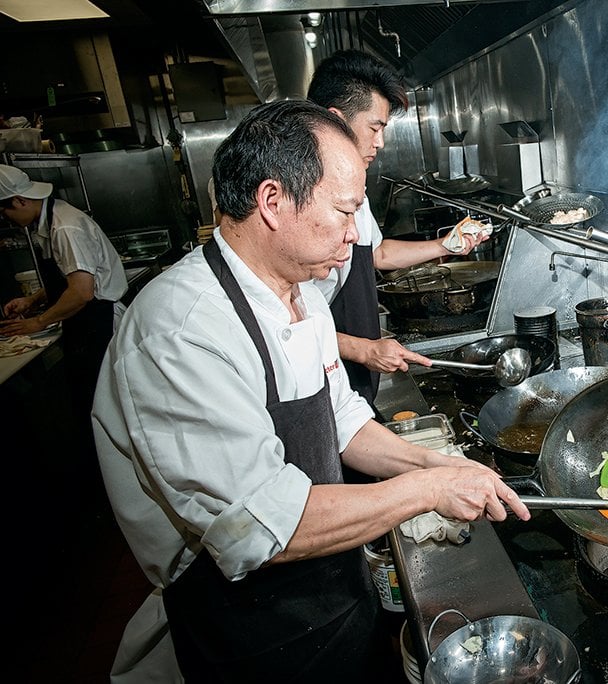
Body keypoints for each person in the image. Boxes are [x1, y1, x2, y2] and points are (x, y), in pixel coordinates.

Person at [92, 99, 529, 681]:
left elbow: (341, 418)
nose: (355, 235)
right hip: (246, 631)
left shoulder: (299, 291)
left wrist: (439, 461)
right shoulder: (183, 330)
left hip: (331, 595)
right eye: (345, 211)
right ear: (273, 202)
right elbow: (265, 528)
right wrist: (427, 488)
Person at [307, 49, 489, 405]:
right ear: (335, 121)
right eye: (375, 128)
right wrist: (362, 350)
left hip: (346, 370)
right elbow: (284, 324)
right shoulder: (298, 202)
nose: (381, 142)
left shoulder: (352, 184)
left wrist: (445, 246)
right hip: (317, 371)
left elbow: (377, 253)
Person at [0, 164, 128, 487]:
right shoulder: (51, 221)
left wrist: (37, 322)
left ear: (18, 201)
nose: (7, 221)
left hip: (99, 325)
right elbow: (70, 276)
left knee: (106, 409)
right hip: (86, 326)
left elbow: (82, 292)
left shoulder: (64, 227)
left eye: (5, 212)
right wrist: (35, 300)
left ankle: (116, 482)